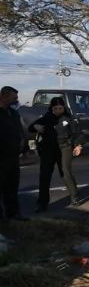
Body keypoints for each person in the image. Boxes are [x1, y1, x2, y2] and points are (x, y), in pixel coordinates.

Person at [29, 97, 85, 212]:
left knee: (65, 172)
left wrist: (78, 145)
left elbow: (78, 134)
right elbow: (31, 127)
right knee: (45, 175)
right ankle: (42, 203)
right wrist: (36, 127)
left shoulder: (69, 118)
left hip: (65, 148)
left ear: (64, 107)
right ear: (52, 108)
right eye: (55, 108)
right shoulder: (47, 117)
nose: (58, 110)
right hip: (48, 149)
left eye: (60, 108)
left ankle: (74, 197)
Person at [0, 86, 27, 221]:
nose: (16, 100)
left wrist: (23, 146)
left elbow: (19, 131)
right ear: (4, 97)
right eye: (14, 98)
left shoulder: (13, 113)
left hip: (13, 155)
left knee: (12, 186)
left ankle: (13, 214)